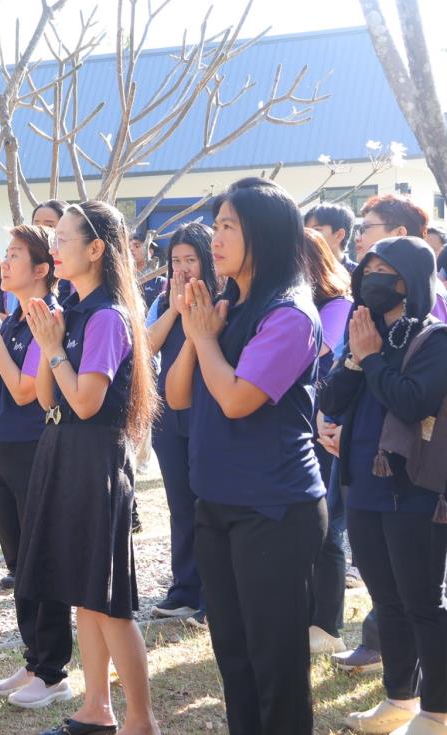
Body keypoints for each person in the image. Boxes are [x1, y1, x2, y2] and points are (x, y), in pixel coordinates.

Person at [165, 177, 327, 734]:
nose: (216, 239)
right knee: (234, 660)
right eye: (217, 225)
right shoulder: (226, 305)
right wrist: (198, 332)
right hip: (217, 502)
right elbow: (176, 395)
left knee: (275, 665)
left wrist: (206, 339)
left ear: (266, 233)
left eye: (229, 226)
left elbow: (236, 400)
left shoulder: (290, 315)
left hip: (274, 509)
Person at [11, 202, 160, 733]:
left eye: (64, 239)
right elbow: (47, 398)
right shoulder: (71, 309)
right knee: (83, 594)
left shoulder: (107, 317)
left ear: (96, 249)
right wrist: (48, 343)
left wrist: (54, 349)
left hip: (95, 460)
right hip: (63, 451)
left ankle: (141, 721)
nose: (54, 248)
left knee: (109, 602)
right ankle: (96, 709)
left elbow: (86, 401)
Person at [320, 235, 447, 735]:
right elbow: (331, 398)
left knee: (422, 603)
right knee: (386, 599)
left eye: (383, 273)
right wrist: (357, 358)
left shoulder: (435, 339)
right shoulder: (363, 331)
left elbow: (413, 401)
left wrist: (371, 358)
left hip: (414, 492)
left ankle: (437, 711)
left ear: (409, 281)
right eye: (366, 271)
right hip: (363, 487)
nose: (372, 280)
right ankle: (400, 699)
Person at [0, 224, 57, 600]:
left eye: (15, 255)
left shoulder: (47, 316)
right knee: (17, 561)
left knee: (39, 563)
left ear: (41, 269)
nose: (4, 263)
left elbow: (24, 391)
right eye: (6, 254)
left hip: (31, 445)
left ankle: (44, 639)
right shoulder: (11, 321)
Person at [144, 222, 217, 623]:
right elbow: (145, 347)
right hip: (169, 416)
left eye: (191, 259)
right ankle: (184, 588)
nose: (183, 268)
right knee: (180, 505)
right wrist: (174, 308)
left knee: (210, 503)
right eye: (176, 260)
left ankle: (212, 593)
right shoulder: (162, 301)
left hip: (209, 411)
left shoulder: (222, 299)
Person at [301, 229, 355, 657]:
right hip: (302, 426)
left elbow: (317, 350)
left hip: (329, 426)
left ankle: (328, 623)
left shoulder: (338, 305)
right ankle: (306, 615)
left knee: (328, 526)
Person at [305, 201, 358, 271]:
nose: (308, 235)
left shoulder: (359, 273)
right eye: (307, 231)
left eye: (316, 230)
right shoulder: (303, 273)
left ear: (339, 235)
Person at [131, 227, 165, 309]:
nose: (131, 249)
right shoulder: (122, 279)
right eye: (129, 247)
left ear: (150, 251)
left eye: (137, 246)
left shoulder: (161, 283)